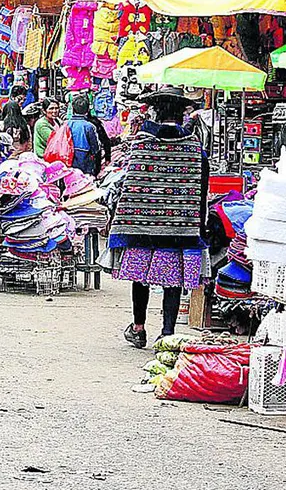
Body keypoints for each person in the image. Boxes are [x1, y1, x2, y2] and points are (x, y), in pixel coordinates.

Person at [113, 87, 208, 348]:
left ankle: (138, 327)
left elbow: (130, 185)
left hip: (141, 228)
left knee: (140, 277)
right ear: (182, 114)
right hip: (180, 230)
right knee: (173, 281)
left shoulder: (142, 144)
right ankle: (167, 333)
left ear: (154, 112)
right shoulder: (193, 148)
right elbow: (202, 188)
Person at [67, 94, 102, 175]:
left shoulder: (66, 124)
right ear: (87, 111)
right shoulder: (89, 126)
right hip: (85, 159)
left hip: (68, 157)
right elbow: (95, 147)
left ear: (73, 110)